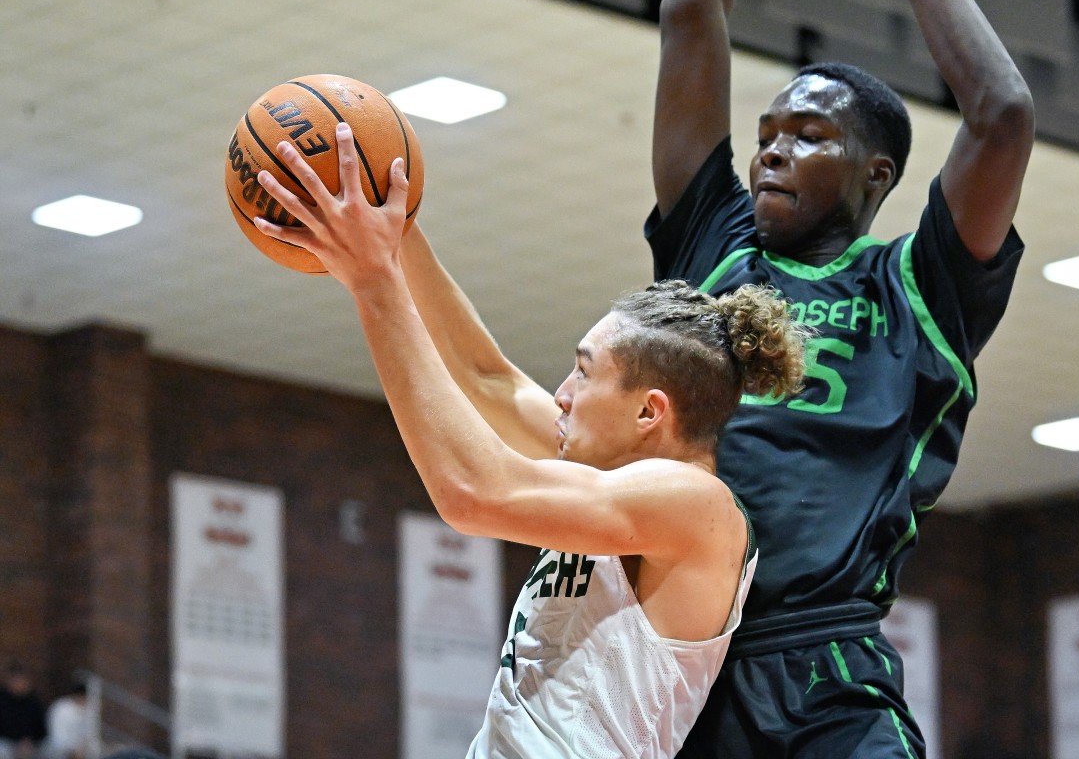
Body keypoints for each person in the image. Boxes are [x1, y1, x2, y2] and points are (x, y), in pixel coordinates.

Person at [252, 123, 812, 757]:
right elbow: (486, 380)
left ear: (648, 413)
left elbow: (472, 493)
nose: (562, 392)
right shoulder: (604, 478)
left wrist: (374, 281)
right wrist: (393, 221)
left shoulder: (699, 507)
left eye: (584, 370)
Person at [645, 0, 1035, 755]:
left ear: (875, 173)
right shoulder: (714, 248)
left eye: (809, 137)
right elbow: (691, 16)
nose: (772, 154)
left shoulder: (918, 289)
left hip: (826, 670)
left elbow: (1003, 114)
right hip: (678, 667)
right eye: (765, 138)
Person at [0, 662, 46, 759]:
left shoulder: (33, 701)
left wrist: (29, 740)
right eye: (17, 680)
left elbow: (41, 728)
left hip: (31, 743)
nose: (20, 683)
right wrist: (17, 741)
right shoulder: (2, 700)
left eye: (23, 680)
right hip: (7, 743)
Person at [42, 683, 88, 759]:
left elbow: (90, 735)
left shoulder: (90, 710)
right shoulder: (61, 709)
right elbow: (58, 738)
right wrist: (72, 751)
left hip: (82, 751)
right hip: (59, 752)